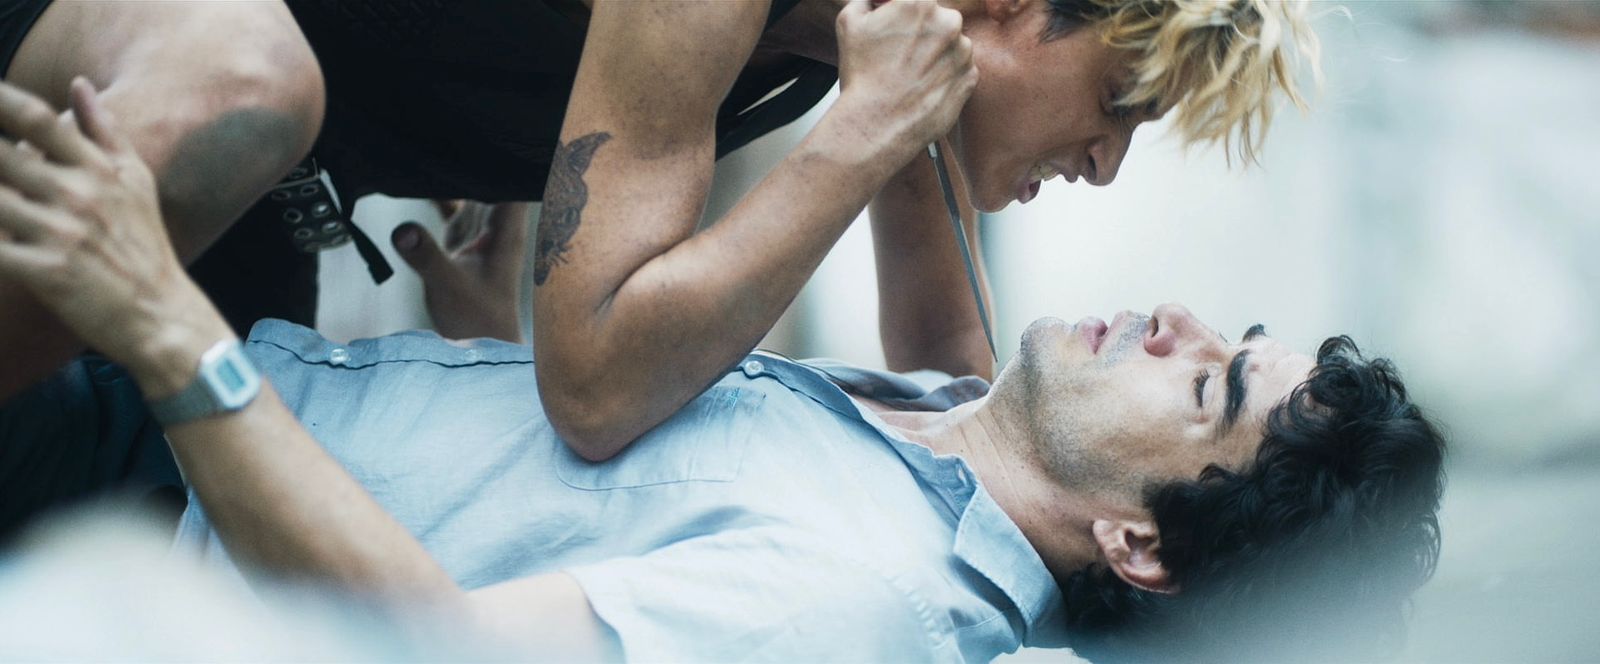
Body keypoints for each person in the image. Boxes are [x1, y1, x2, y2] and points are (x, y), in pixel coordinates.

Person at [0, 81, 1442, 661]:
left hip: (128, 515)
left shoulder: (857, 604)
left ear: (1140, 546)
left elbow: (435, 646)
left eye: (1209, 389)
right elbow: (935, 305)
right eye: (1231, 335)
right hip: (181, 418)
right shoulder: (957, 439)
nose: (1180, 321)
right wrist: (492, 354)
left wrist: (166, 327)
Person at [0, 0, 1324, 461]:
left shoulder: (897, 49)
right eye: (1119, 105)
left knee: (173, 509)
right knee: (245, 89)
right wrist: (859, 137)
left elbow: (966, 406)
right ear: (1016, 6)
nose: (1103, 164)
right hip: (132, 55)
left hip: (259, 202)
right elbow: (591, 385)